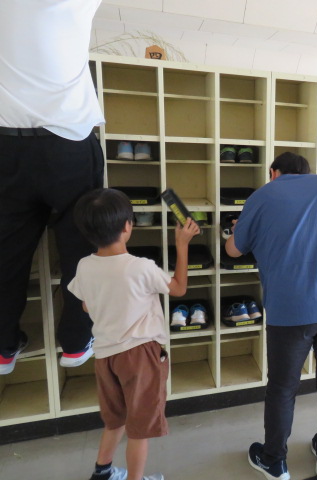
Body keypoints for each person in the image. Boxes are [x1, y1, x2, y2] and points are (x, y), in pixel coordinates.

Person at [225, 152, 317, 479]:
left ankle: (274, 460)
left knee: (282, 386)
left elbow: (234, 249)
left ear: (273, 172)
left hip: (292, 306)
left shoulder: (263, 195)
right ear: (308, 172)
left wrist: (239, 231)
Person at [0, 0, 105, 374]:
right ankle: (76, 343)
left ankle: (3, 348)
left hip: (7, 144)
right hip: (67, 140)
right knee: (81, 247)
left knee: (7, 253)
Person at [68, 188, 200, 480]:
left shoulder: (84, 266)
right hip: (140, 356)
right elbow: (178, 288)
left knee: (115, 419)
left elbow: (87, 305)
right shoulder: (140, 267)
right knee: (140, 428)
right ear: (127, 226)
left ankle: (102, 471)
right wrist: (182, 243)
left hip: (105, 355)